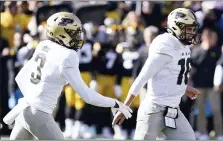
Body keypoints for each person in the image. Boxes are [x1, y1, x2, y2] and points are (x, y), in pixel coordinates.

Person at [3, 12, 132, 140]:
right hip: (39, 113)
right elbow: (87, 96)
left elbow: (24, 74)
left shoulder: (44, 45)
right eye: (73, 33)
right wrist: (115, 103)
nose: (78, 37)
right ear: (61, 34)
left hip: (24, 110)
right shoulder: (68, 55)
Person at [112, 8, 201, 140]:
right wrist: (125, 107)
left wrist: (184, 88)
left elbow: (170, 75)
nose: (192, 32)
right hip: (153, 111)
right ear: (176, 27)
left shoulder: (184, 45)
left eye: (193, 28)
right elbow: (142, 77)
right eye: (188, 28)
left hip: (173, 110)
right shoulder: (166, 44)